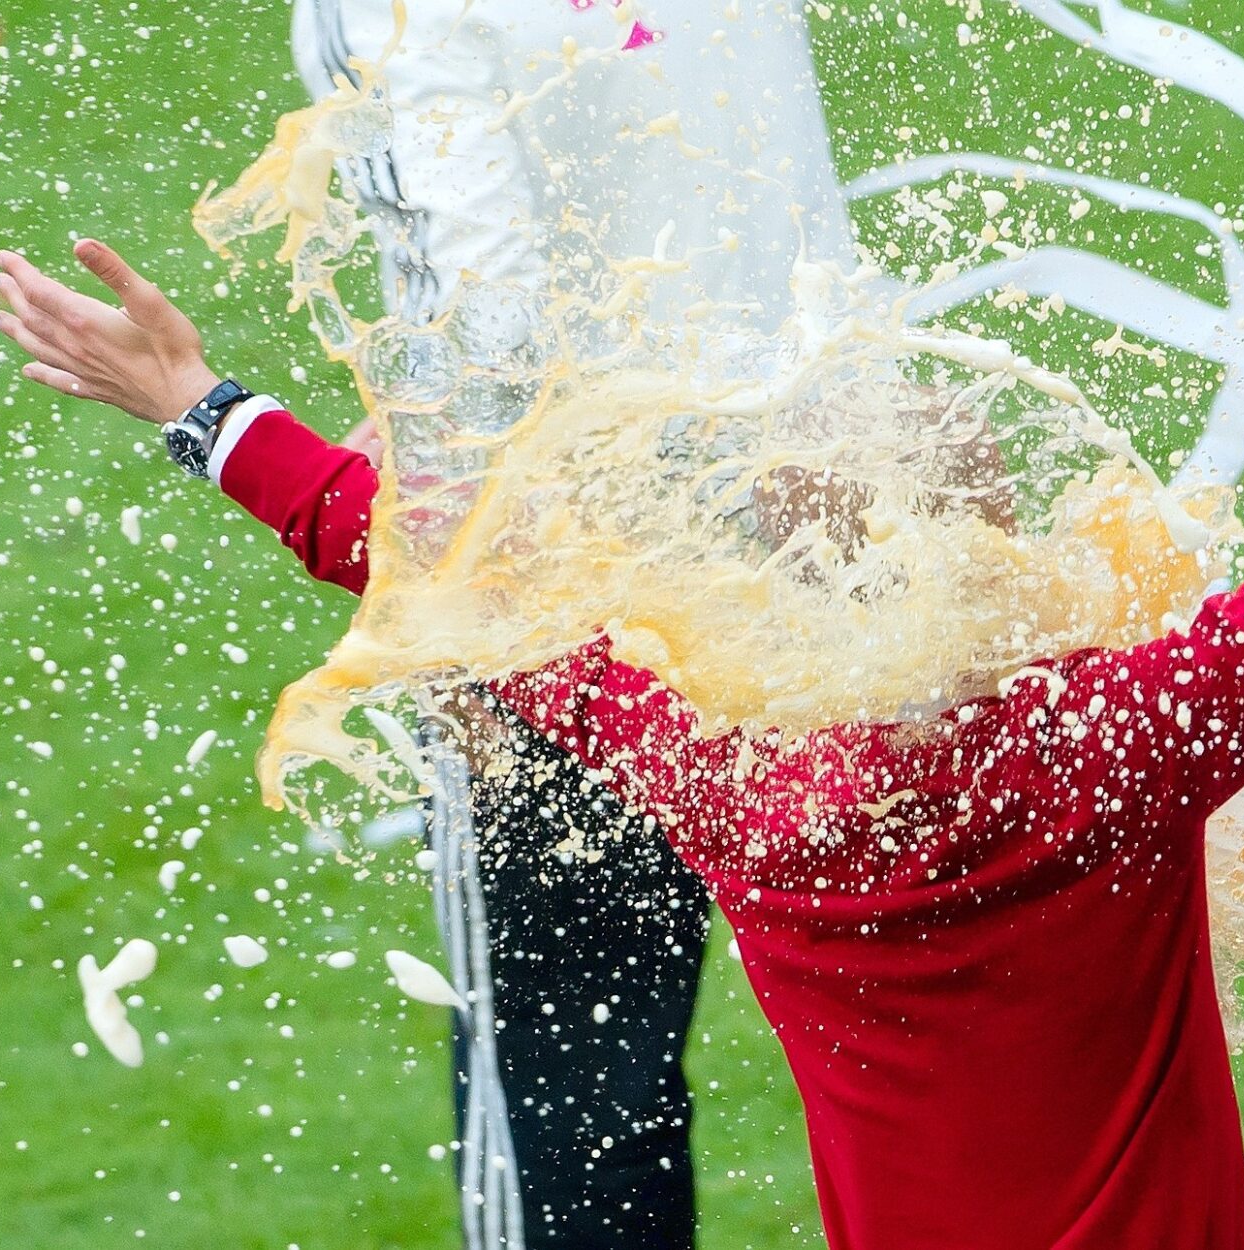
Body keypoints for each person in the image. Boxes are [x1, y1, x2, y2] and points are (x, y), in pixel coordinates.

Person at [0, 232, 1244, 1246]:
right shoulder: (1105, 749)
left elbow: (428, 570)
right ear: (970, 563)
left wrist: (198, 406)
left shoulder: (722, 771)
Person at [282, 1, 856, 1242]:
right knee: (935, 1039)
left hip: (571, 575)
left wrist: (461, 547)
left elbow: (470, 282)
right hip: (841, 514)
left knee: (578, 1085)